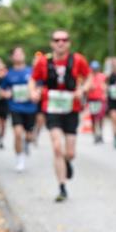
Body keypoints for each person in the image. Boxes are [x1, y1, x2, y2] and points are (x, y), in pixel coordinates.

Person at [29, 30, 90, 202]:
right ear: (52, 43)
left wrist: (82, 90)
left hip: (71, 108)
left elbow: (89, 78)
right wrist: (33, 91)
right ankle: (62, 187)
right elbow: (33, 80)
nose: (60, 43)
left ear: (69, 43)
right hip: (52, 107)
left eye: (64, 40)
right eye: (57, 40)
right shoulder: (43, 62)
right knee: (57, 146)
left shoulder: (78, 60)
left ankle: (67, 161)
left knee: (70, 152)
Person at [4, 46, 38, 172]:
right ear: (12, 57)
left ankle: (27, 143)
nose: (18, 56)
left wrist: (35, 93)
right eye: (16, 54)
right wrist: (6, 94)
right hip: (15, 107)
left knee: (29, 136)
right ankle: (20, 159)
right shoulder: (8, 74)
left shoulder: (32, 71)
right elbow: (3, 90)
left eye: (20, 53)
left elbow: (38, 87)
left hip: (30, 108)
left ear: (24, 55)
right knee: (18, 134)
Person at [86, 60, 108, 144]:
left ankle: (101, 134)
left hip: (100, 99)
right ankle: (95, 135)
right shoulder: (89, 77)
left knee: (100, 117)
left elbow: (105, 86)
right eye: (93, 69)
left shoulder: (102, 76)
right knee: (93, 119)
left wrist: (105, 92)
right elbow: (86, 88)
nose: (95, 70)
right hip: (92, 100)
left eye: (96, 69)